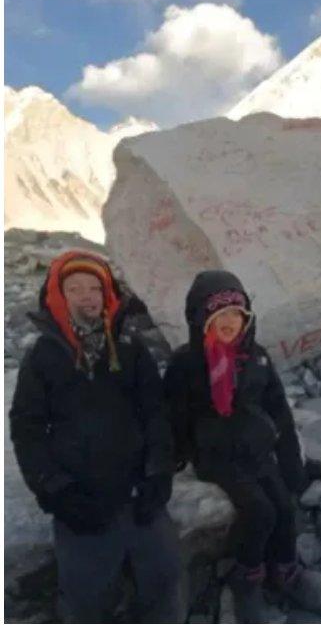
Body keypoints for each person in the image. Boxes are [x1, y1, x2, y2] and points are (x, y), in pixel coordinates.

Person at [10, 249, 182, 622]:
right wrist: (55, 489)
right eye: (75, 289)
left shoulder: (130, 349)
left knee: (165, 580)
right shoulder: (44, 356)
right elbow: (27, 427)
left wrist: (159, 472)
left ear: (108, 295)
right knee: (85, 597)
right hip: (80, 496)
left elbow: (156, 412)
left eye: (95, 288)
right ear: (59, 297)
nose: (87, 296)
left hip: (138, 492)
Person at [165, 270, 318, 622]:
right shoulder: (187, 364)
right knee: (259, 511)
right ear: (201, 320)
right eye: (219, 316)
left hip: (257, 450)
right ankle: (247, 574)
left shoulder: (256, 357)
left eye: (236, 314)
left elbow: (278, 410)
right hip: (219, 457)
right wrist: (171, 457)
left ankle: (284, 568)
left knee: (283, 505)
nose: (229, 323)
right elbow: (171, 414)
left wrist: (292, 461)